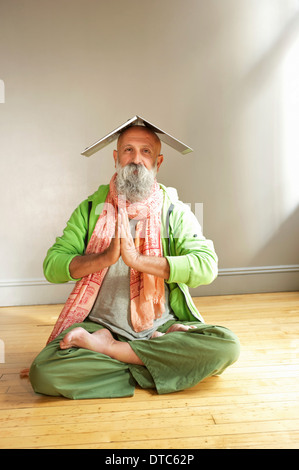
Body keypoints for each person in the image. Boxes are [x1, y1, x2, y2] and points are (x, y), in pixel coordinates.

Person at [29, 125, 240, 399]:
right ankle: (156, 361)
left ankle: (110, 351)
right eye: (128, 150)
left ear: (158, 162)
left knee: (227, 346)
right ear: (116, 158)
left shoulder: (174, 211)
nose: (136, 159)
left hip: (160, 327)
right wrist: (104, 258)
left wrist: (139, 261)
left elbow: (206, 265)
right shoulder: (91, 209)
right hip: (101, 326)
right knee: (44, 373)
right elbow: (53, 266)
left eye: (146, 152)